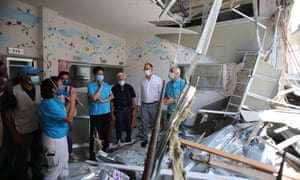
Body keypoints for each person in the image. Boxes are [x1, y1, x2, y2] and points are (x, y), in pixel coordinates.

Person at [4, 66, 43, 180]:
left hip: (37, 128)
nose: (36, 77)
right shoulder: (14, 91)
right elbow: (7, 115)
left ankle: (37, 176)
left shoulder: (39, 89)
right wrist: (14, 133)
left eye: (36, 74)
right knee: (21, 158)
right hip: (22, 131)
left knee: (37, 156)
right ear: (24, 77)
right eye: (33, 75)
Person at [39, 77, 77, 179]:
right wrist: (73, 100)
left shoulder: (55, 100)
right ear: (53, 89)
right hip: (53, 139)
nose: (64, 87)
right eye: (61, 85)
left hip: (60, 136)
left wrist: (69, 102)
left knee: (64, 165)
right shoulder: (49, 103)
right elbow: (68, 118)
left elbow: (63, 114)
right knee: (54, 170)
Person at [87, 66, 114, 160]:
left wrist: (104, 101)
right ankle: (93, 156)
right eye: (99, 74)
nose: (101, 76)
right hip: (95, 114)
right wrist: (100, 87)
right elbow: (94, 97)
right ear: (94, 75)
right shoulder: (91, 85)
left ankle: (104, 154)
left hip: (106, 112)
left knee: (105, 134)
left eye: (102, 74)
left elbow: (111, 96)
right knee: (95, 136)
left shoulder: (106, 84)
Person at [137, 63, 162, 147]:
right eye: (145, 69)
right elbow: (140, 93)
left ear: (152, 69)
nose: (146, 70)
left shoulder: (158, 79)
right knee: (144, 123)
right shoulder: (142, 81)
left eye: (147, 68)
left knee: (156, 123)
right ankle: (145, 139)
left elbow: (160, 92)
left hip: (154, 105)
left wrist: (160, 105)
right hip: (144, 105)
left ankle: (157, 139)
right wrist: (139, 104)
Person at [57, 71, 80, 162]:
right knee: (64, 135)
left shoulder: (71, 89)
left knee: (69, 134)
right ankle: (66, 153)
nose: (65, 81)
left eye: (67, 79)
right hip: (62, 116)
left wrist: (72, 99)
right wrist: (70, 100)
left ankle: (70, 152)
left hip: (72, 115)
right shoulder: (57, 90)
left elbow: (76, 102)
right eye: (63, 79)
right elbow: (60, 107)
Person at [0, 61, 16, 178]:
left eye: (5, 72)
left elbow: (8, 116)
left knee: (7, 160)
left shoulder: (8, 96)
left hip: (7, 136)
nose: (4, 76)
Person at [111, 72, 137, 143]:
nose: (121, 80)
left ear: (125, 79)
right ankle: (119, 140)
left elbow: (133, 99)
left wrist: (134, 111)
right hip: (118, 109)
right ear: (117, 79)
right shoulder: (114, 89)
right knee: (118, 125)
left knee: (128, 125)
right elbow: (112, 102)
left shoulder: (129, 87)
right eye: (120, 79)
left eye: (122, 79)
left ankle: (128, 138)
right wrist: (112, 114)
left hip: (128, 109)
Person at [163, 66, 186, 138]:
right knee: (170, 131)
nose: (170, 74)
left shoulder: (183, 83)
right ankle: (170, 145)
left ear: (177, 73)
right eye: (170, 72)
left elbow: (185, 99)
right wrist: (166, 100)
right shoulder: (168, 84)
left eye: (172, 72)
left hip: (180, 112)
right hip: (170, 112)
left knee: (180, 132)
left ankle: (181, 146)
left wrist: (173, 100)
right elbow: (166, 95)